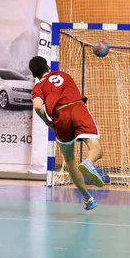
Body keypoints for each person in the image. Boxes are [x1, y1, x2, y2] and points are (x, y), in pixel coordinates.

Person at [29, 56, 107, 210]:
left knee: (70, 159)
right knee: (95, 148)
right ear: (47, 67)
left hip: (60, 118)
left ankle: (88, 198)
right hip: (76, 108)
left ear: (34, 74)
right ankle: (88, 162)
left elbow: (38, 107)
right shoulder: (64, 75)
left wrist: (47, 122)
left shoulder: (37, 88)